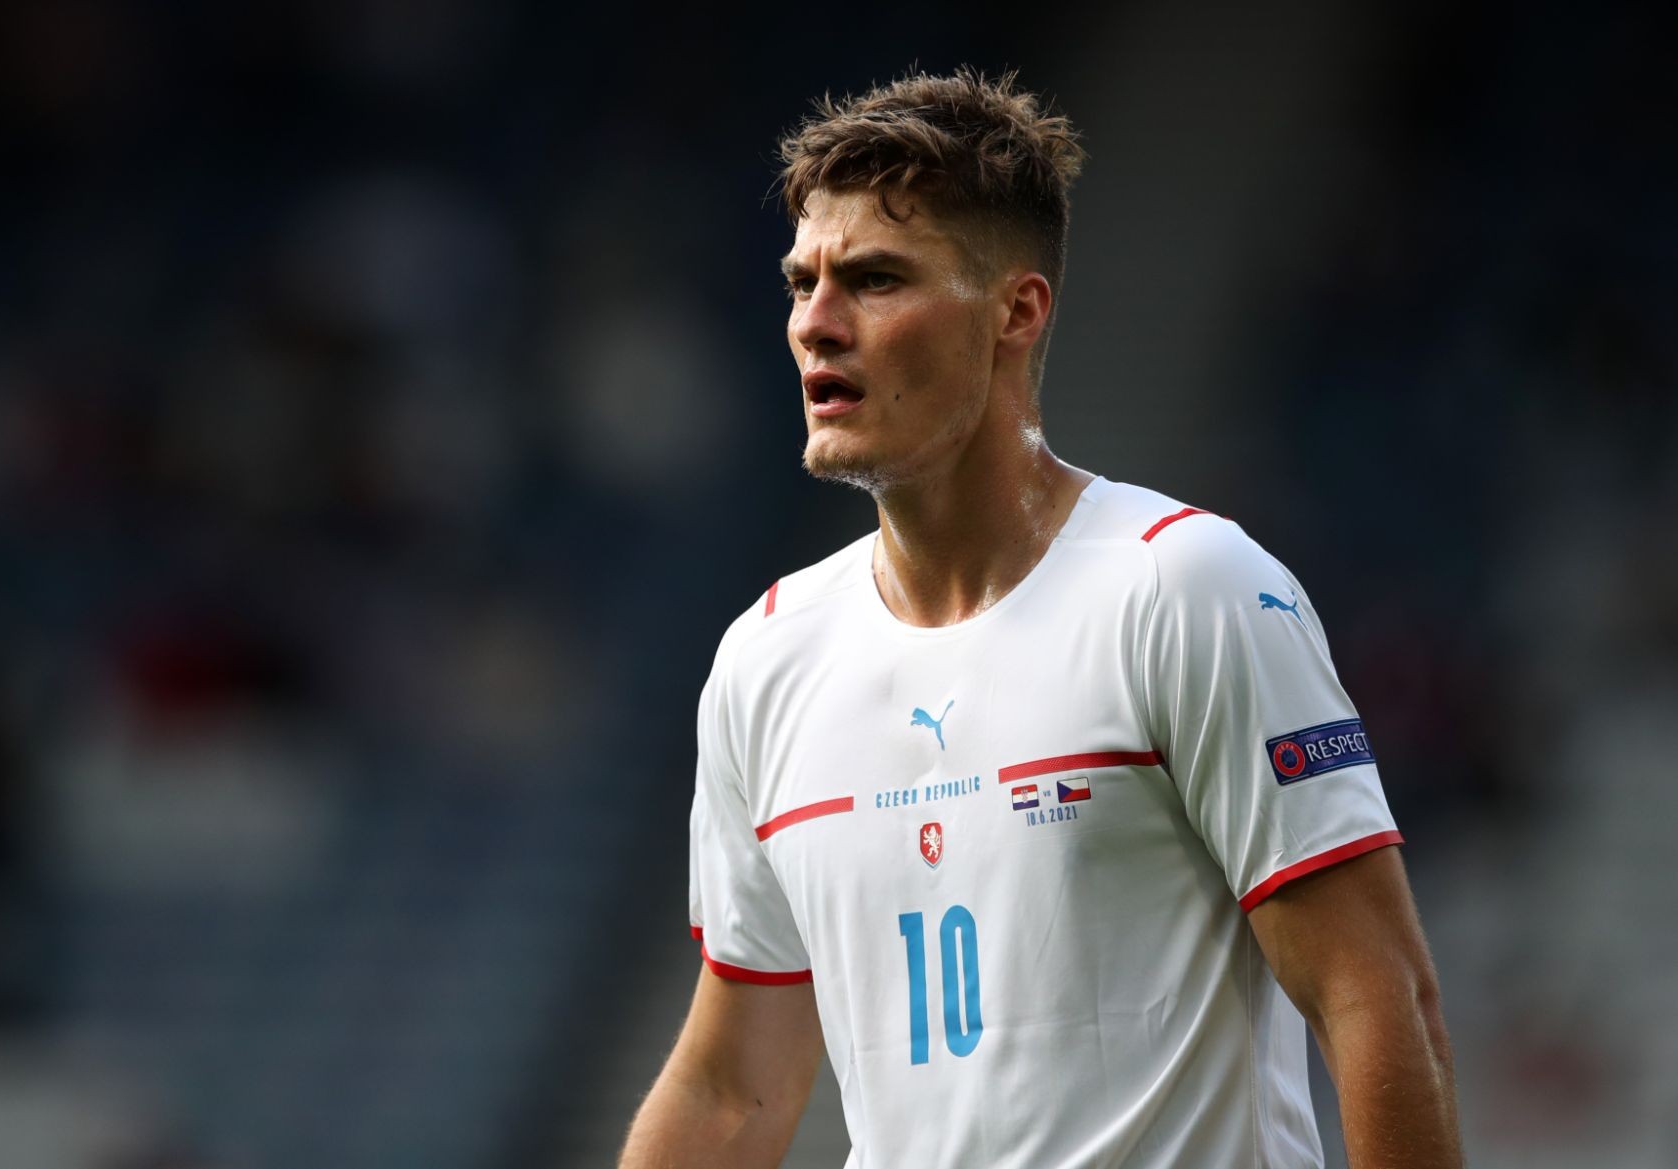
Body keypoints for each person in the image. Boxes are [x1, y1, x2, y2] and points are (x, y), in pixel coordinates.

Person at [619, 68, 1462, 1169]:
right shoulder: (766, 657)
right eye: (801, 282)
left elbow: (1375, 998)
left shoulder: (1184, 588)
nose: (815, 324)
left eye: (873, 279)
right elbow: (732, 1087)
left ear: (1015, 312)